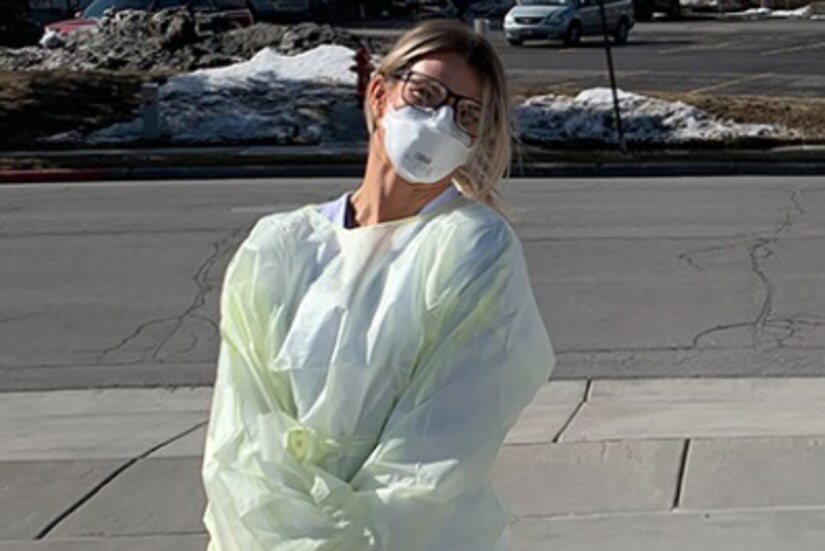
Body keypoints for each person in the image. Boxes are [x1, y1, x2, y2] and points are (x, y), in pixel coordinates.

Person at [201, 19, 555, 551]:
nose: (438, 120)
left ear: (478, 138)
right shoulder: (278, 248)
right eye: (425, 93)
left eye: (465, 114)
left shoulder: (473, 248)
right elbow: (242, 431)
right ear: (380, 93)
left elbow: (436, 450)